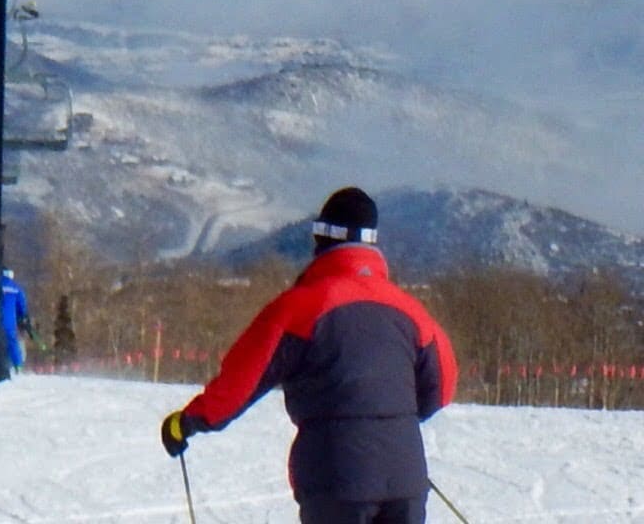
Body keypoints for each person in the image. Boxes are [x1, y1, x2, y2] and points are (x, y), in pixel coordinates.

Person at [160, 187, 458, 524]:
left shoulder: (299, 308)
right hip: (405, 475)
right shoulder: (411, 311)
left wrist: (186, 423)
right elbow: (442, 388)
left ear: (321, 238)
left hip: (336, 476)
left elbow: (239, 383)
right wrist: (388, 427)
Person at [0, 268, 31, 373]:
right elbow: (22, 307)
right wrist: (23, 318)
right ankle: (18, 366)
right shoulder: (16, 288)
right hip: (10, 322)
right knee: (12, 342)